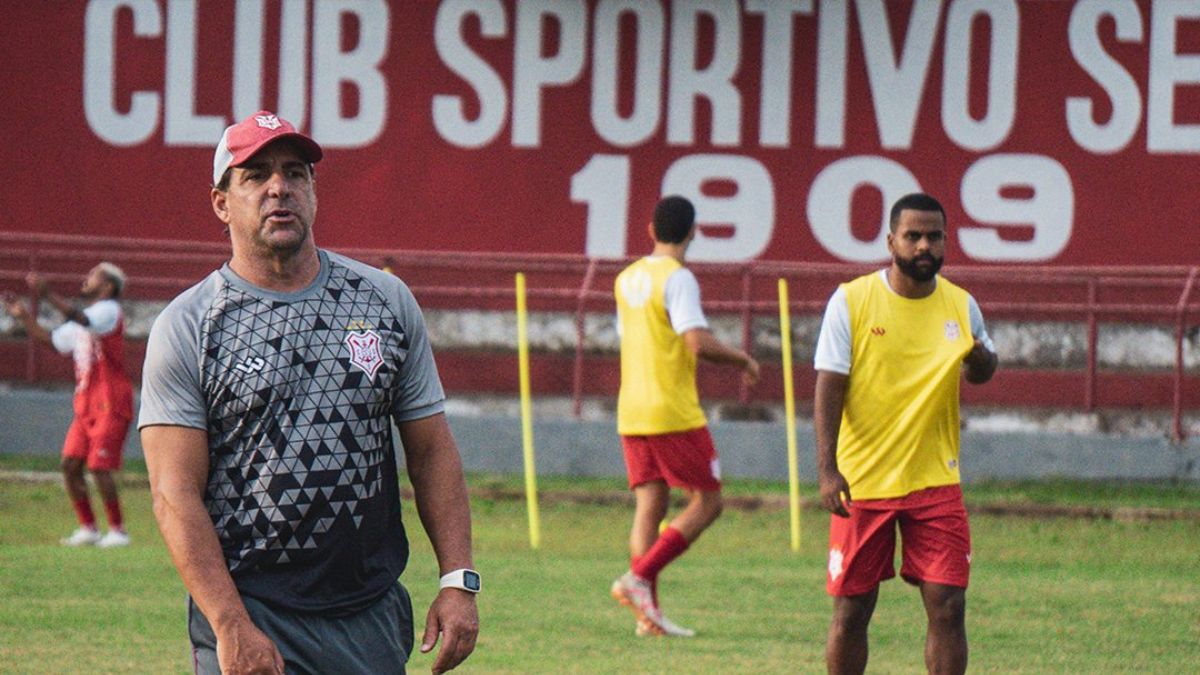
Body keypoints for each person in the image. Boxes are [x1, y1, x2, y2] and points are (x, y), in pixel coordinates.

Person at [137, 111, 479, 674]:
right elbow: (175, 493)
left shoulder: (384, 303)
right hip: (254, 612)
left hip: (368, 613)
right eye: (255, 175)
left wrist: (458, 579)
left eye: (296, 172)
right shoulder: (190, 326)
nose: (279, 187)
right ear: (222, 203)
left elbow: (431, 451)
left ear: (314, 191)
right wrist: (230, 624)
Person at [812, 192, 998, 674]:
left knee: (949, 607)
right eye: (913, 236)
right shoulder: (851, 301)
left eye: (933, 237)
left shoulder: (961, 304)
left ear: (945, 242)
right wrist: (828, 470)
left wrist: (982, 362)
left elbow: (983, 366)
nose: (923, 246)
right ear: (890, 240)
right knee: (853, 612)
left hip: (935, 481)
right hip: (864, 482)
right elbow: (829, 386)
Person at [609, 195, 760, 637]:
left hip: (631, 408)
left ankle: (646, 615)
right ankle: (638, 580)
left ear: (651, 230)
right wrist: (742, 360)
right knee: (708, 501)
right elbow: (696, 341)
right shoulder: (678, 279)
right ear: (693, 232)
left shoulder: (627, 278)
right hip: (671, 410)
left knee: (650, 504)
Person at [2, 264, 134, 548]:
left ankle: (118, 530)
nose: (85, 278)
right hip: (86, 401)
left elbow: (81, 318)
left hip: (109, 399)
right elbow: (51, 341)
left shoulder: (109, 310)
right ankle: (88, 527)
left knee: (99, 466)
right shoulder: (83, 319)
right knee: (70, 464)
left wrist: (48, 294)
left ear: (108, 287)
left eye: (93, 275)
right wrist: (24, 316)